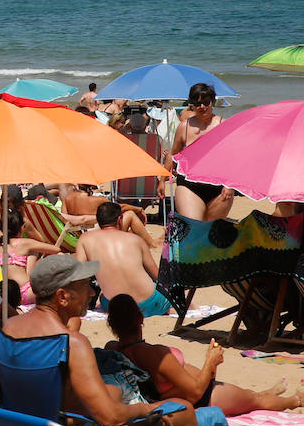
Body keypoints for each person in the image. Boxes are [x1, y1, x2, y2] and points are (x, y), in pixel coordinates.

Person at [3, 256, 200, 426]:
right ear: (62, 297)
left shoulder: (6, 329)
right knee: (183, 410)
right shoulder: (72, 343)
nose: (91, 293)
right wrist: (146, 409)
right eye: (86, 285)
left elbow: (2, 393)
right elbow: (110, 417)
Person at [105, 293, 304, 415]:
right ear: (140, 318)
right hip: (201, 396)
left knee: (249, 395)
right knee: (256, 401)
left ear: (111, 325)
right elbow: (194, 391)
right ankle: (295, 401)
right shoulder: (154, 355)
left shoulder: (113, 350)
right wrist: (210, 362)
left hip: (188, 392)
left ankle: (269, 391)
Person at [75, 202, 168, 317]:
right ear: (120, 219)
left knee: (103, 298)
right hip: (152, 303)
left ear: (98, 221)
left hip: (116, 307)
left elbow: (79, 274)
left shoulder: (85, 239)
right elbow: (158, 277)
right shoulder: (136, 240)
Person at [168, 83, 234, 220]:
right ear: (192, 104)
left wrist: (229, 185)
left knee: (210, 230)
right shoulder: (184, 127)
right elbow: (173, 154)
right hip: (189, 185)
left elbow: (234, 159)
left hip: (218, 186)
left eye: (205, 102)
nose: (202, 107)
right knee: (194, 226)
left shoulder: (223, 125)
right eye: (197, 103)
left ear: (212, 102)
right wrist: (161, 179)